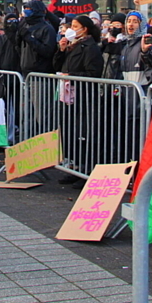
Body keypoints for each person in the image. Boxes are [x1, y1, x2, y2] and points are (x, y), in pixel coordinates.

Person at [53, 15, 103, 180]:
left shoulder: (90, 47)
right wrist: (61, 50)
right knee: (68, 131)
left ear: (84, 29)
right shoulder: (71, 46)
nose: (71, 29)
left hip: (82, 96)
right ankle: (72, 165)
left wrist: (71, 75)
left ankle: (84, 168)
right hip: (68, 96)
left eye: (75, 26)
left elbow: (93, 73)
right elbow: (56, 65)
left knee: (81, 133)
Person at [19, 0, 57, 76]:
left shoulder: (47, 29)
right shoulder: (25, 25)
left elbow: (47, 51)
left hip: (40, 74)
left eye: (28, 9)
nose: (26, 11)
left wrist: (29, 38)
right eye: (25, 9)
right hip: (25, 72)